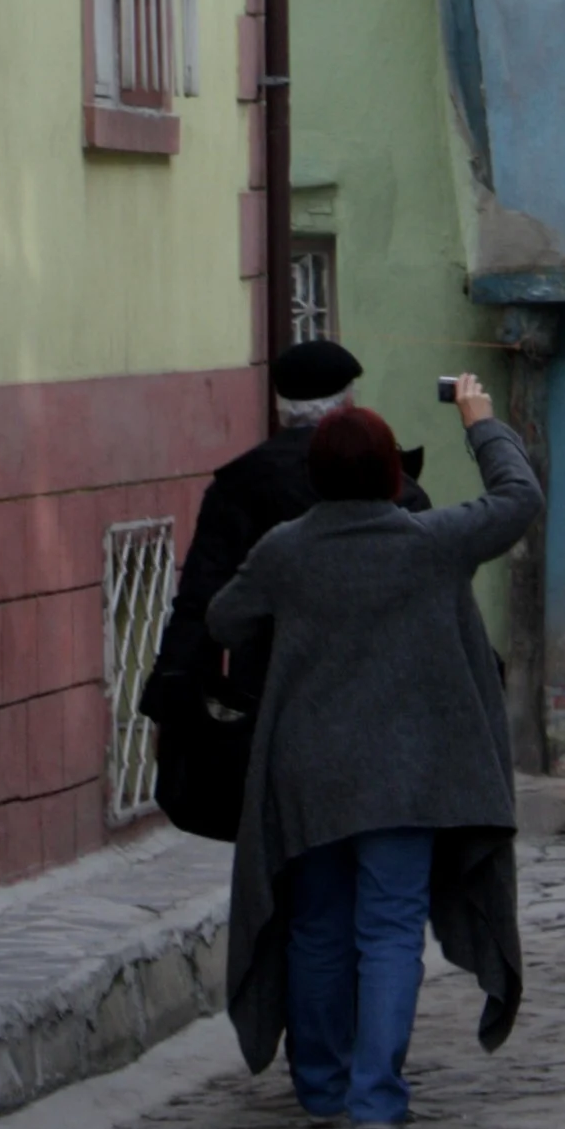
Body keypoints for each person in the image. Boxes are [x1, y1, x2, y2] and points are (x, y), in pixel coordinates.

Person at [207, 374, 541, 1129]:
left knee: (318, 927)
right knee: (390, 929)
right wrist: (479, 417)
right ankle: (378, 1099)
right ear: (395, 472)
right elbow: (519, 499)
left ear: (312, 476)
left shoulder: (286, 552)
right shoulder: (433, 541)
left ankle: (321, 1087)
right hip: (409, 777)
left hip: (311, 777)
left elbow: (225, 620)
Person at [140, 337, 425, 838]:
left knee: (290, 847)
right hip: (380, 698)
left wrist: (172, 698)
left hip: (275, 696)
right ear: (348, 406)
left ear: (281, 408)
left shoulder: (240, 483)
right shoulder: (393, 483)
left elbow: (202, 599)